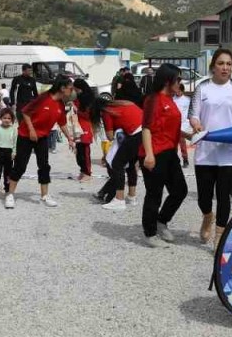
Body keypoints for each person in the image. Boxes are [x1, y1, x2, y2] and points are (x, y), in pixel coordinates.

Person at [188, 48, 232, 245]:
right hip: (206, 151)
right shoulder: (202, 88)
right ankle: (208, 216)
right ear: (213, 66)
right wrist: (195, 123)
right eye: (221, 63)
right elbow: (193, 113)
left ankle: (220, 236)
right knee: (204, 198)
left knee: (224, 197)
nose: (225, 67)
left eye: (229, 64)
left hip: (229, 152)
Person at [4, 76, 76, 209]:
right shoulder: (43, 98)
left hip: (42, 138)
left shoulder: (61, 104)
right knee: (20, 165)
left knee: (44, 166)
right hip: (26, 135)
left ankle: (45, 195)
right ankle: (10, 194)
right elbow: (25, 112)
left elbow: (62, 123)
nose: (72, 91)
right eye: (70, 88)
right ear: (62, 88)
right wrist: (31, 131)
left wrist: (70, 139)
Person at [139, 64, 188, 247]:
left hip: (169, 152)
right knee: (154, 194)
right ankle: (149, 233)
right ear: (168, 80)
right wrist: (149, 155)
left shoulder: (170, 99)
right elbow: (146, 128)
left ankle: (161, 221)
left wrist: (190, 135)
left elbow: (170, 127)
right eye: (178, 80)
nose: (180, 83)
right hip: (155, 153)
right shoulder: (153, 99)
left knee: (180, 190)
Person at [98, 75, 143, 211]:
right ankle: (132, 197)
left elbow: (110, 136)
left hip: (135, 134)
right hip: (145, 131)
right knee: (131, 166)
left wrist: (118, 129)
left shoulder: (107, 111)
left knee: (117, 164)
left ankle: (119, 199)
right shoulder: (124, 103)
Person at [72, 79, 97, 183]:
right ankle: (83, 170)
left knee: (85, 151)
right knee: (78, 151)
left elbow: (88, 115)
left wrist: (76, 110)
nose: (75, 91)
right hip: (78, 127)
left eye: (76, 89)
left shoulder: (89, 99)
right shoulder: (78, 98)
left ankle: (88, 173)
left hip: (85, 127)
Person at [173, 81, 193, 168]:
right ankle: (175, 160)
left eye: (179, 90)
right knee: (174, 143)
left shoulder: (187, 100)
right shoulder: (172, 99)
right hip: (173, 124)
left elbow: (190, 112)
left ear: (182, 91)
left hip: (183, 124)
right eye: (176, 90)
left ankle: (185, 159)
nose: (177, 92)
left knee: (182, 142)